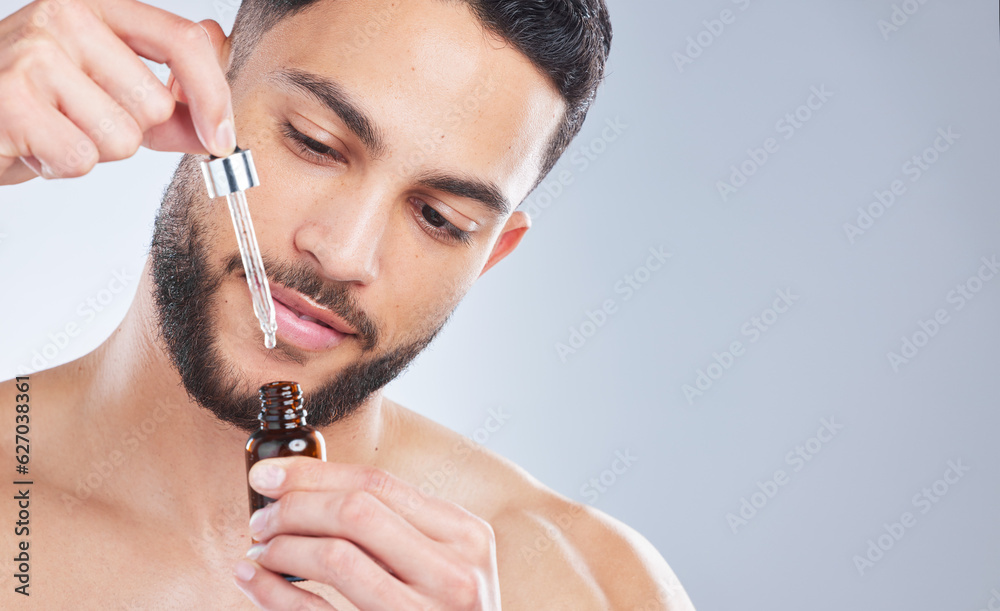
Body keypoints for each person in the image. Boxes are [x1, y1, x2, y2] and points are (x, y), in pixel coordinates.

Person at [0, 0, 696, 608]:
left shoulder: (590, 588)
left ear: (490, 256)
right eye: (316, 143)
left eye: (440, 218)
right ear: (205, 87)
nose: (345, 253)